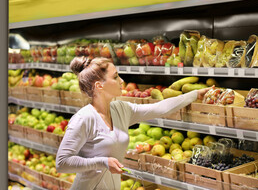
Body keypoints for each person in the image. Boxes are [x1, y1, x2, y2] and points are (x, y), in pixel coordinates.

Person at [56, 56, 211, 190]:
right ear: (99, 86)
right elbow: (62, 163)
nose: (122, 81)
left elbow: (160, 108)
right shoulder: (84, 118)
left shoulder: (121, 109)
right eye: (115, 77)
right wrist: (103, 162)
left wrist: (195, 94)